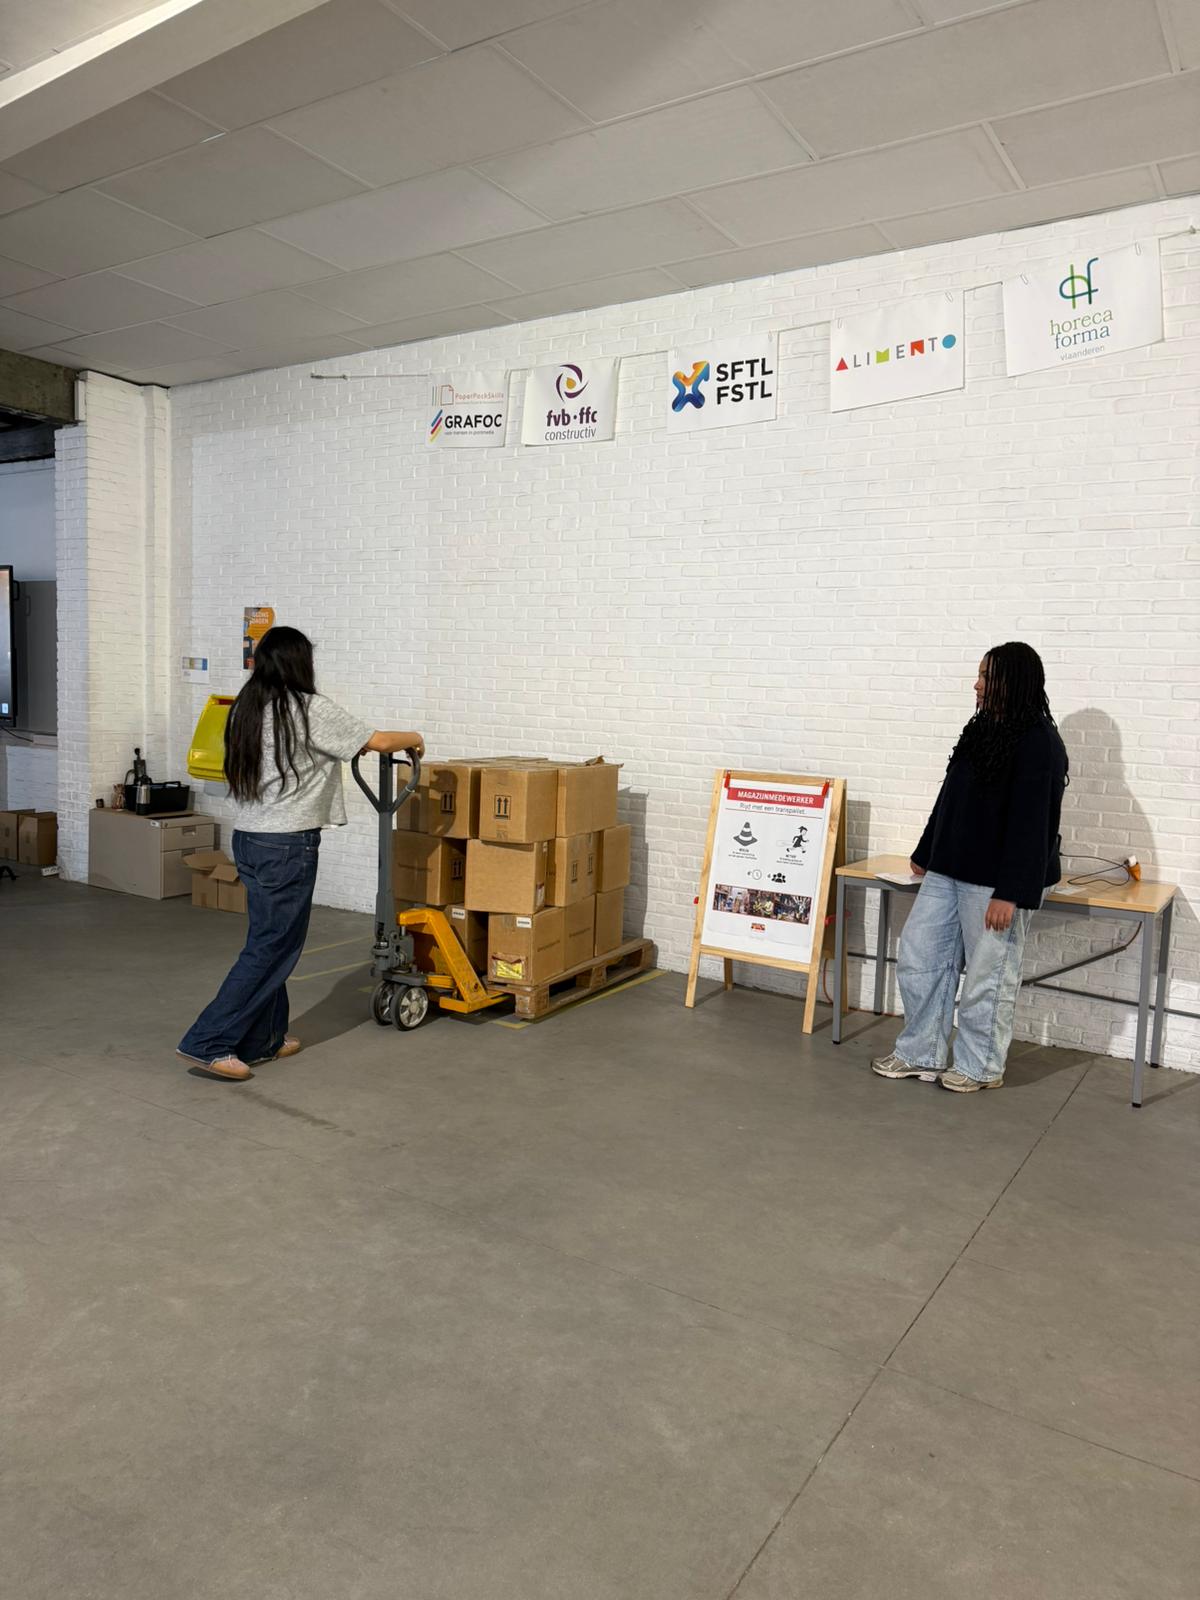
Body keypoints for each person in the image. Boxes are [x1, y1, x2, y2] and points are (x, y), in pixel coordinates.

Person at [178, 626, 423, 1081]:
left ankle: (266, 1039)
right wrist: (415, 736)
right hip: (286, 845)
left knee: (271, 940)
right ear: (299, 662)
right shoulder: (307, 708)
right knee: (272, 947)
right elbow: (379, 741)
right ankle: (207, 1040)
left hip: (250, 838)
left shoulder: (247, 708)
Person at [872, 642, 1068, 1092]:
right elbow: (950, 796)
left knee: (988, 976)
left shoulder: (1040, 744)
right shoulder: (980, 729)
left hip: (996, 883)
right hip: (949, 869)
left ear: (1014, 683)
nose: (976, 685)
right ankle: (920, 1053)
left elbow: (1034, 825)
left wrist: (1011, 892)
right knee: (920, 958)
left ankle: (980, 1067)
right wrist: (926, 851)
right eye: (979, 675)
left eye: (986, 677)